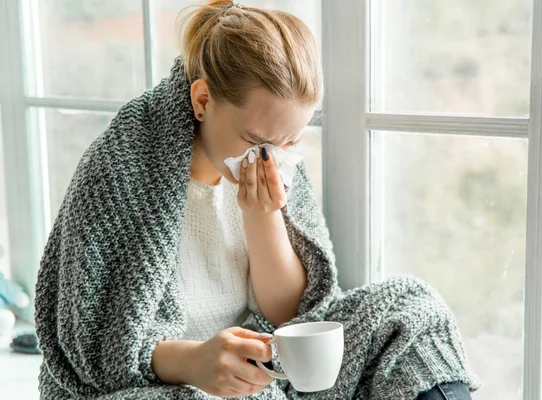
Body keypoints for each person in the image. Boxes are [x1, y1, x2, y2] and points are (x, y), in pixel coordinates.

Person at [34, 1, 480, 399]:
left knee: (409, 308)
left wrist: (261, 217)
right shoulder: (123, 166)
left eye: (291, 142)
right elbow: (92, 350)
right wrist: (195, 363)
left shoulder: (277, 157)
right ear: (203, 100)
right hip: (151, 384)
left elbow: (292, 316)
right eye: (258, 140)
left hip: (259, 374)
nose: (272, 158)